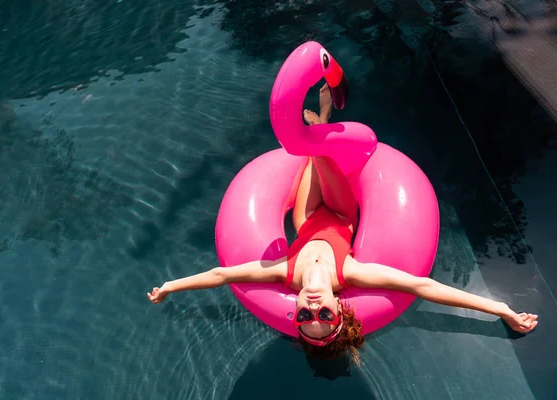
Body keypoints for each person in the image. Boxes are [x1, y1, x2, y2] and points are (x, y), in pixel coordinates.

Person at [147, 84, 538, 364]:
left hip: (304, 218)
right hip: (339, 211)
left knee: (306, 157)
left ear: (294, 311)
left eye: (304, 318)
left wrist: (169, 287)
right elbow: (425, 287)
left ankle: (319, 127)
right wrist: (501, 309)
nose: (313, 311)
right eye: (324, 318)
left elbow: (219, 275)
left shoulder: (283, 273)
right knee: (317, 155)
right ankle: (322, 124)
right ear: (340, 308)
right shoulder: (349, 272)